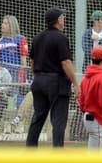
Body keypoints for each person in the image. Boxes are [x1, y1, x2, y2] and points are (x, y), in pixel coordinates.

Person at [27, 8, 78, 148]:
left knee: (38, 117)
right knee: (58, 121)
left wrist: (37, 76)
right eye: (62, 17)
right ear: (58, 20)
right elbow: (65, 62)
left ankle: (29, 152)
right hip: (56, 82)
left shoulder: (38, 37)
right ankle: (57, 155)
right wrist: (75, 83)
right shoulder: (61, 37)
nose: (64, 19)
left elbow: (32, 61)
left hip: (38, 80)